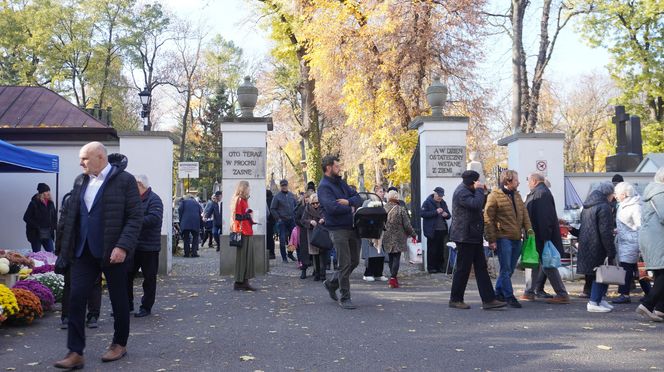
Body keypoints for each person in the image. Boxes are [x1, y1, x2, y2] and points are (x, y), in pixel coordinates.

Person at [53, 142, 142, 369]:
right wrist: (63, 248)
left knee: (119, 299)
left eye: (85, 158)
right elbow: (70, 216)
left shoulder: (125, 181)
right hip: (83, 251)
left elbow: (134, 218)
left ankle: (119, 344)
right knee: (75, 298)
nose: (80, 162)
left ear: (100, 157)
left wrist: (122, 246)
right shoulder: (80, 180)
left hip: (112, 252)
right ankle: (75, 352)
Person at [448, 170, 506, 310]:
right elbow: (476, 205)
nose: (479, 183)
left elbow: (480, 204)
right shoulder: (462, 192)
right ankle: (455, 299)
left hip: (472, 235)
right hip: (465, 236)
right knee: (463, 269)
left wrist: (484, 193)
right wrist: (480, 190)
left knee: (481, 268)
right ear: (473, 182)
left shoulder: (468, 191)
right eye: (478, 181)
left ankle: (489, 299)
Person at [318, 155, 364, 309]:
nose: (339, 168)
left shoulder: (341, 183)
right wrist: (351, 208)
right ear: (329, 167)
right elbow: (332, 208)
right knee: (344, 263)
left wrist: (350, 202)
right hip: (337, 229)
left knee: (355, 261)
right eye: (337, 166)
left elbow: (358, 197)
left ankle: (332, 283)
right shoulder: (324, 187)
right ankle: (345, 297)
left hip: (352, 227)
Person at [484, 170, 532, 308]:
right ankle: (509, 296)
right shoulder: (494, 196)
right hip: (503, 237)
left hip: (517, 237)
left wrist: (529, 229)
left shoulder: (516, 195)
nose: (519, 182)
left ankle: (498, 292)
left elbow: (524, 213)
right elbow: (488, 218)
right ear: (508, 181)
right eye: (516, 180)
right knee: (505, 268)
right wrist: (492, 239)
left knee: (510, 269)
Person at [56, 190, 102, 331]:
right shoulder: (99, 200)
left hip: (74, 248)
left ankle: (67, 317)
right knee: (94, 283)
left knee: (70, 284)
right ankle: (92, 316)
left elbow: (62, 227)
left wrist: (59, 250)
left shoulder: (70, 200)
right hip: (92, 247)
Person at [521, 173, 570, 304]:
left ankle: (561, 293)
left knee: (546, 265)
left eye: (528, 181)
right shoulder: (542, 192)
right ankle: (529, 292)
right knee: (536, 263)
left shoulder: (540, 194)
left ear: (534, 181)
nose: (527, 184)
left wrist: (545, 236)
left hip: (539, 236)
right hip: (539, 235)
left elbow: (544, 217)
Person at [575, 182, 617, 313]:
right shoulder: (604, 207)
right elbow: (605, 231)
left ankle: (599, 299)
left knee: (598, 273)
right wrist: (611, 250)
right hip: (599, 245)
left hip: (588, 244)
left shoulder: (587, 206)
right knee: (601, 272)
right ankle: (594, 301)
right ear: (608, 194)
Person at [127, 175, 163, 318]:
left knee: (149, 278)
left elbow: (154, 218)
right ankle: (127, 304)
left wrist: (134, 221)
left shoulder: (155, 199)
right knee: (126, 276)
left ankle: (146, 307)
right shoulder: (133, 200)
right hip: (133, 245)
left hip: (149, 247)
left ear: (140, 185)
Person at [636, 168, 664, 322]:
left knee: (661, 273)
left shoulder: (651, 192)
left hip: (652, 239)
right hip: (659, 239)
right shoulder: (661, 193)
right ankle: (647, 304)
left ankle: (660, 309)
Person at [612, 182, 642, 304]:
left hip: (632, 242)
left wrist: (641, 246)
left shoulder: (635, 206)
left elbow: (640, 226)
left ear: (624, 194)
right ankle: (650, 294)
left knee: (628, 269)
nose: (615, 196)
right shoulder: (623, 205)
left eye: (617, 193)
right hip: (625, 241)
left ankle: (624, 294)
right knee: (638, 270)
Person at [382, 190, 416, 288]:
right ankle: (393, 278)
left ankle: (393, 278)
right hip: (399, 237)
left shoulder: (383, 209)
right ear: (397, 198)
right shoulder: (400, 209)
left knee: (391, 257)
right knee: (396, 257)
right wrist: (413, 234)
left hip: (387, 236)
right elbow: (407, 225)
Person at [231, 180, 256, 291]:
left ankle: (244, 281)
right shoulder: (240, 200)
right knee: (243, 258)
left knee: (247, 257)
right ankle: (240, 282)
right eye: (248, 187)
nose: (249, 189)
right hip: (243, 232)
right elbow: (237, 217)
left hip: (247, 231)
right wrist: (247, 215)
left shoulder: (244, 200)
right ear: (243, 188)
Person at [420, 186, 451, 273]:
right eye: (439, 195)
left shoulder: (443, 203)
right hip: (432, 230)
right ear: (435, 193)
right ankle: (431, 268)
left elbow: (449, 215)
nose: (440, 197)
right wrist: (435, 212)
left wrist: (446, 215)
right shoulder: (427, 202)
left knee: (440, 250)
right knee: (432, 249)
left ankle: (440, 267)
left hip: (442, 230)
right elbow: (422, 214)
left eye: (441, 196)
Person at [362, 185, 388, 282]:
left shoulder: (384, 203)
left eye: (383, 192)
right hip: (370, 232)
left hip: (381, 231)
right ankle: (368, 273)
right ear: (375, 192)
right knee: (371, 254)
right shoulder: (368, 202)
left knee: (380, 253)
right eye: (380, 191)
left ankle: (379, 273)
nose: (383, 193)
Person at [23, 182, 57, 252]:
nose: (48, 193)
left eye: (49, 191)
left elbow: (54, 217)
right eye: (46, 191)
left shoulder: (51, 203)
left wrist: (54, 227)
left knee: (51, 254)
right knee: (37, 255)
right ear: (42, 193)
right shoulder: (34, 203)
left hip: (48, 234)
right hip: (36, 234)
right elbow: (26, 217)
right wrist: (37, 226)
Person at [271, 179, 298, 263]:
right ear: (280, 186)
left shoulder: (292, 195)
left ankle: (290, 253)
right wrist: (278, 219)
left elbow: (296, 206)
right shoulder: (277, 196)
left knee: (293, 239)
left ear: (287, 185)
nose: (284, 187)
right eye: (282, 185)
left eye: (285, 185)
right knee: (282, 240)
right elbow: (272, 209)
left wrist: (296, 216)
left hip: (292, 220)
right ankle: (284, 257)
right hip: (282, 221)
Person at [301, 193, 326, 281]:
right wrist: (310, 221)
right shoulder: (307, 209)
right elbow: (303, 220)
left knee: (323, 254)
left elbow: (329, 217)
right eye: (313, 203)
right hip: (312, 233)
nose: (315, 205)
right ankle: (317, 273)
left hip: (322, 233)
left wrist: (324, 219)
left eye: (317, 203)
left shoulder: (323, 208)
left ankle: (323, 274)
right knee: (315, 255)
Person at [295, 192, 312, 279]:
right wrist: (303, 223)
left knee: (315, 251)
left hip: (313, 231)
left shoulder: (315, 208)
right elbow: (297, 219)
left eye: (308, 197)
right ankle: (304, 270)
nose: (307, 199)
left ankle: (316, 270)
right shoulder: (301, 208)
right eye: (305, 198)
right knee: (304, 250)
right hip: (304, 231)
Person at [266, 190, 276, 259]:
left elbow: (268, 212)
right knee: (270, 238)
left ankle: (270, 252)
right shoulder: (273, 199)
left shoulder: (267, 200)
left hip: (268, 221)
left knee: (269, 238)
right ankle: (272, 253)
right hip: (272, 221)